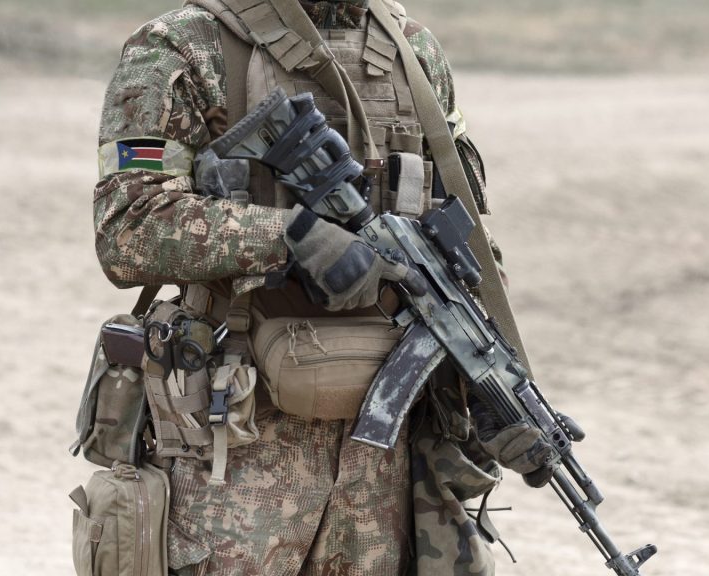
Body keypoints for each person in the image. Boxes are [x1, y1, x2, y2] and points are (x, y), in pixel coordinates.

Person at [92, 0, 553, 574]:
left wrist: (494, 395)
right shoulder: (187, 45)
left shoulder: (413, 50)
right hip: (234, 445)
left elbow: (469, 251)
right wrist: (293, 238)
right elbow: (128, 227)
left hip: (387, 470)